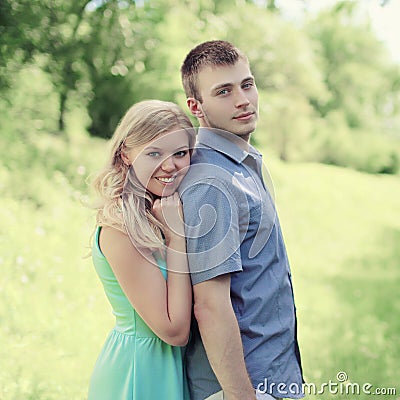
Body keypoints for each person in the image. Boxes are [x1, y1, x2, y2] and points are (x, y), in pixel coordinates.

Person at [179, 40, 304, 400]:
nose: (243, 100)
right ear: (196, 107)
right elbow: (210, 305)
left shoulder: (242, 163)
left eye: (247, 84)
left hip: (274, 373)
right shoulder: (211, 182)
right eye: (224, 91)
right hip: (244, 387)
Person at [87, 100, 194, 400]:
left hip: (169, 369)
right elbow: (174, 331)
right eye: (154, 153)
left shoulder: (159, 209)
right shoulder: (121, 227)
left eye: (180, 153)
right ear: (126, 154)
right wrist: (177, 238)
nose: (170, 165)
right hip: (139, 373)